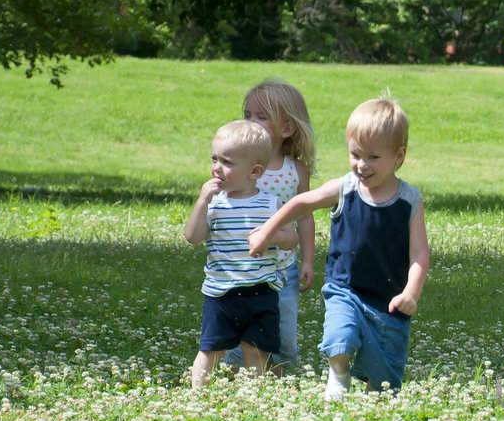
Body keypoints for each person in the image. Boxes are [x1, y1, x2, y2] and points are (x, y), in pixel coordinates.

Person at [248, 98, 429, 399]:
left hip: (388, 299)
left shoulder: (409, 200)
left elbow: (419, 254)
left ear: (399, 156)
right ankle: (339, 372)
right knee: (339, 336)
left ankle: (376, 411)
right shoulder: (345, 188)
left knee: (384, 382)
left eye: (372, 157)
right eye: (355, 154)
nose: (361, 164)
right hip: (344, 289)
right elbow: (301, 202)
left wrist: (411, 292)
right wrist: (267, 231)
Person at [184, 120, 297, 388]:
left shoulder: (271, 204)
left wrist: (272, 235)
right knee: (211, 349)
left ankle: (254, 395)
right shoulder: (215, 203)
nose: (216, 168)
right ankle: (196, 395)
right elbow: (193, 237)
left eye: (227, 162)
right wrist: (201, 202)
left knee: (256, 350)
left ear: (255, 171)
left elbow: (291, 239)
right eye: (214, 159)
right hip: (221, 292)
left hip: (260, 291)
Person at [223, 78, 316, 374]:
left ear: (287, 128)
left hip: (283, 268)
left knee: (283, 332)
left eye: (261, 117)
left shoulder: (295, 170)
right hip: (244, 267)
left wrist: (309, 260)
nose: (250, 121)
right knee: (242, 328)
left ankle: (280, 378)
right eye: (247, 114)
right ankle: (242, 378)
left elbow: (304, 215)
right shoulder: (240, 167)